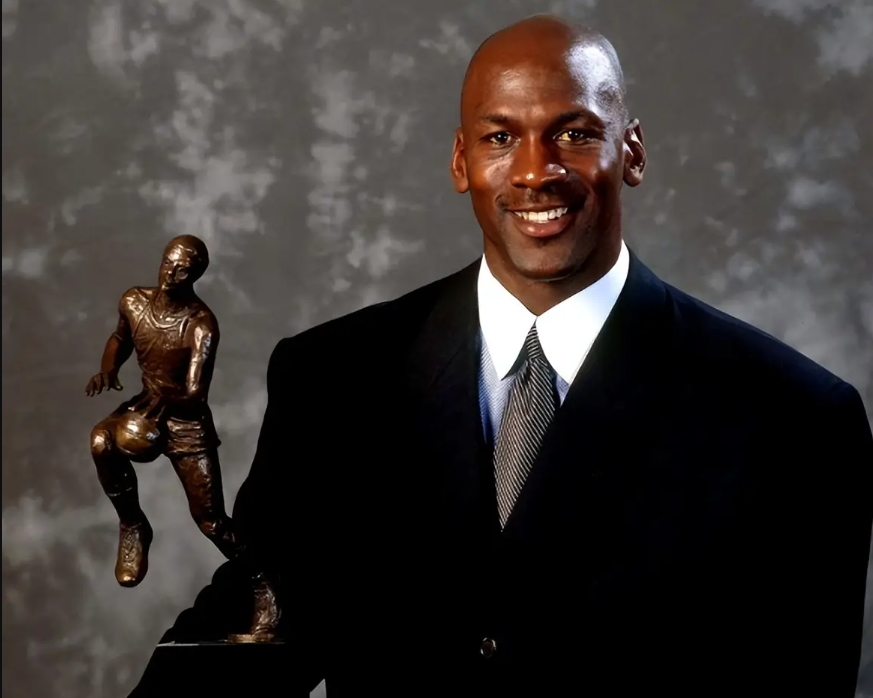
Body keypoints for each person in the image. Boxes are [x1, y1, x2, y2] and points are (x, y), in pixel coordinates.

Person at [129, 16, 873, 698]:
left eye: (574, 133)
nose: (534, 171)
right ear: (461, 161)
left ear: (632, 151)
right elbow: (257, 628)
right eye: (499, 138)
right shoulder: (334, 379)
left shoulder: (794, 420)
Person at [86, 235, 242, 586]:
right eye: (168, 263)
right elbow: (120, 339)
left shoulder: (200, 324)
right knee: (101, 441)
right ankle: (133, 524)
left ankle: (263, 580)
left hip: (187, 421)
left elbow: (195, 393)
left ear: (195, 276)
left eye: (182, 270)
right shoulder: (134, 301)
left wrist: (164, 401)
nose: (171, 274)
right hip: (147, 404)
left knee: (211, 522)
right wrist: (108, 368)